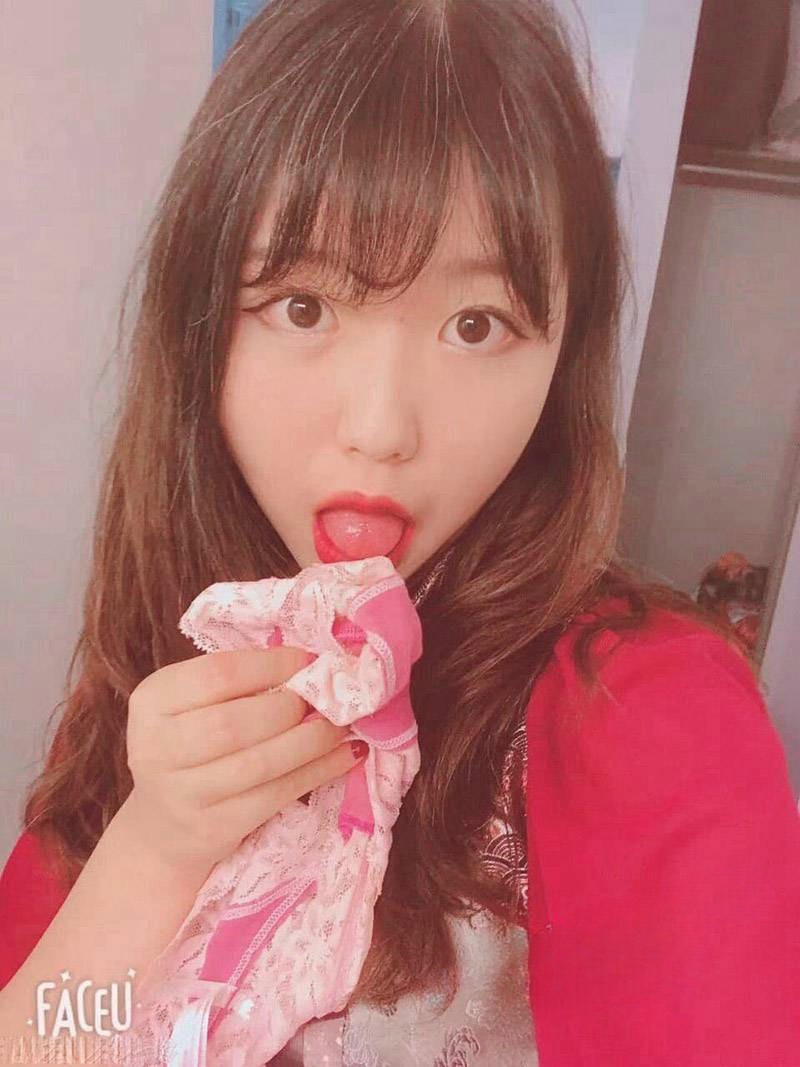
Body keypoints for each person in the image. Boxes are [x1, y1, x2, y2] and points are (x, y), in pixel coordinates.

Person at [1, 0, 799, 1063]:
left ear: (563, 356)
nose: (381, 428)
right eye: (302, 306)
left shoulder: (648, 716)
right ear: (198, 329)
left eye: (475, 325)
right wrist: (154, 850)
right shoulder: (171, 671)